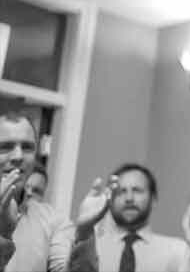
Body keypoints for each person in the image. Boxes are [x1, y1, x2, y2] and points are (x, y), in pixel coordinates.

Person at [0, 110, 111, 272]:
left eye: (27, 148)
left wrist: (85, 232)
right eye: (5, 147)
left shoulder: (52, 221)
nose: (18, 156)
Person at [94, 162, 190, 272]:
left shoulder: (177, 251)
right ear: (110, 200)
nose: (129, 198)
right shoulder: (91, 250)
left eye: (137, 191)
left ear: (153, 200)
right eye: (121, 192)